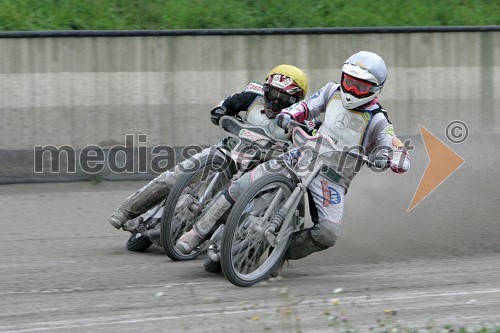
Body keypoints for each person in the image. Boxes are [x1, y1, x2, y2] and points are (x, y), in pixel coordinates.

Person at [176, 51, 410, 268]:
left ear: (375, 89)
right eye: (349, 81)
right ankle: (197, 232)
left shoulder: (378, 119)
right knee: (242, 184)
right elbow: (308, 105)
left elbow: (395, 144)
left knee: (327, 234)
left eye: (360, 87)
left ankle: (280, 252)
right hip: (303, 155)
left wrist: (392, 159)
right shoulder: (331, 91)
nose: (352, 90)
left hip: (333, 179)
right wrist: (289, 114)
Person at [108, 64, 312, 231]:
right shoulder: (252, 94)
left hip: (260, 169)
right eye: (273, 93)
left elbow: (311, 144)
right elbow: (224, 105)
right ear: (266, 88)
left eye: (284, 98)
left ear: (297, 100)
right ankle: (125, 211)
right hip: (228, 152)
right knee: (178, 174)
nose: (276, 100)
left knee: (246, 205)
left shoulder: (305, 117)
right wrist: (221, 112)